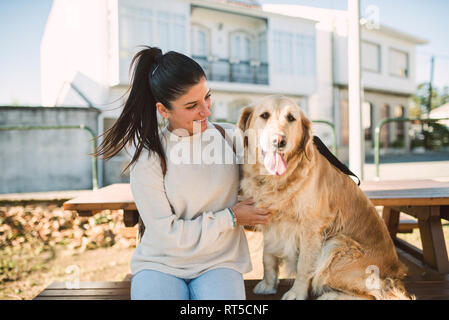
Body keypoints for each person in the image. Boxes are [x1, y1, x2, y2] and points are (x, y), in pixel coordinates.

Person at [94, 46, 271, 300]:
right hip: (161, 265)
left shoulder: (230, 137)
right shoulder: (150, 157)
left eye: (207, 97)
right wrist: (230, 218)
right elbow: (167, 235)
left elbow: (268, 182)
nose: (206, 111)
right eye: (192, 106)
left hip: (219, 263)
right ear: (163, 110)